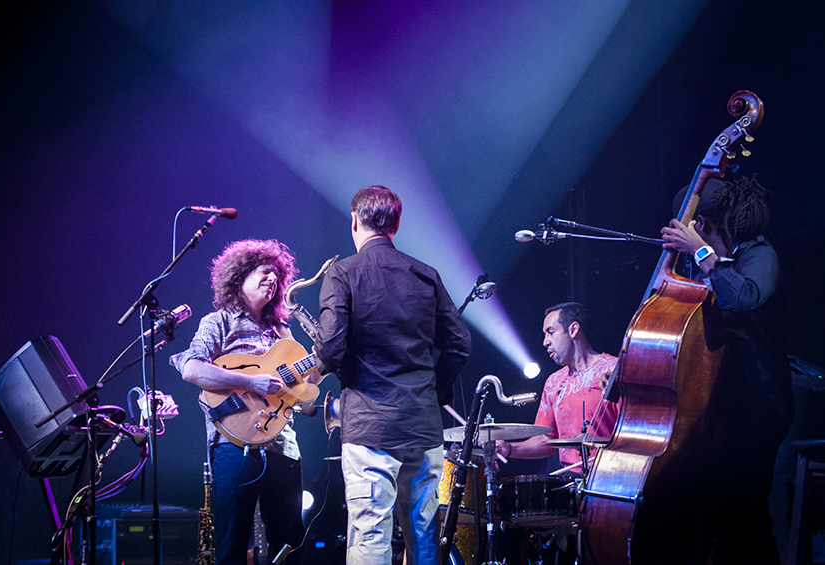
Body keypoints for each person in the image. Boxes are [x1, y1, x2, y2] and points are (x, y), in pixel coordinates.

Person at [312, 185, 472, 565]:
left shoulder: (343, 273)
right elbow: (460, 345)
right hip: (422, 426)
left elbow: (331, 347)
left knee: (370, 534)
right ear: (396, 225)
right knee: (425, 538)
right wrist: (437, 392)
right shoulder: (426, 274)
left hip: (369, 428)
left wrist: (317, 368)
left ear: (354, 222)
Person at [647, 175, 794, 564]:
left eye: (696, 226)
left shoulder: (761, 255)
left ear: (707, 225)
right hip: (720, 406)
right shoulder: (708, 267)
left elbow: (742, 296)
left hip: (758, 405)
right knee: (717, 520)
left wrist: (700, 255)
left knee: (747, 516)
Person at [170, 239, 306, 565]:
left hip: (282, 445)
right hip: (233, 445)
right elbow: (192, 368)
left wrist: (320, 369)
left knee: (290, 541)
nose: (272, 279)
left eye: (277, 275)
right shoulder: (218, 322)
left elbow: (305, 391)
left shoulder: (282, 331)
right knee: (232, 541)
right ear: (240, 276)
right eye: (264, 272)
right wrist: (250, 381)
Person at [495, 302, 618, 475]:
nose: (545, 342)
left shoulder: (614, 370)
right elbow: (547, 439)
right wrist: (508, 448)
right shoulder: (553, 382)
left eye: (550, 333)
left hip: (612, 476)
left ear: (573, 330)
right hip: (570, 479)